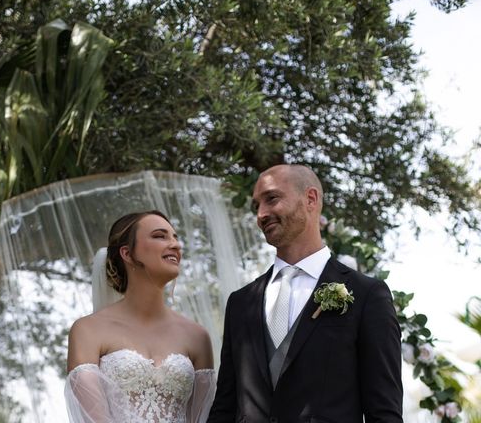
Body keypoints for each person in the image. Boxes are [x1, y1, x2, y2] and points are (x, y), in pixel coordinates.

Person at [208, 164, 403, 422]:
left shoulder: (367, 295)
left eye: (272, 199)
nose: (262, 214)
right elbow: (225, 406)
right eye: (257, 206)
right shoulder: (241, 302)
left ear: (310, 199)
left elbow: (384, 412)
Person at [65, 210, 216, 422]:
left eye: (175, 237)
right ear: (127, 254)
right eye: (159, 236)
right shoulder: (88, 330)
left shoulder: (198, 337)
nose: (175, 244)